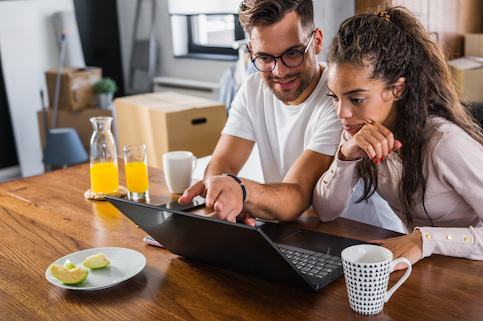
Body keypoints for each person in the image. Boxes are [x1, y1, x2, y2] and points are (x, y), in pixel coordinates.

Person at [180, 0, 401, 231]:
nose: (279, 71)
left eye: (293, 53)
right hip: (298, 233)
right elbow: (221, 163)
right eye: (265, 58)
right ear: (251, 51)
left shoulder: (340, 98)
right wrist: (225, 197)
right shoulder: (253, 88)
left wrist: (242, 192)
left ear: (316, 41)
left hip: (363, 236)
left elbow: (298, 196)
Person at [313, 6, 483, 268]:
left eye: (356, 98)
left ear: (397, 89)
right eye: (335, 97)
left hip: (469, 275)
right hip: (423, 274)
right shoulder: (359, 131)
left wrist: (423, 240)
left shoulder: (445, 143)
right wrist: (345, 157)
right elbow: (325, 212)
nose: (342, 113)